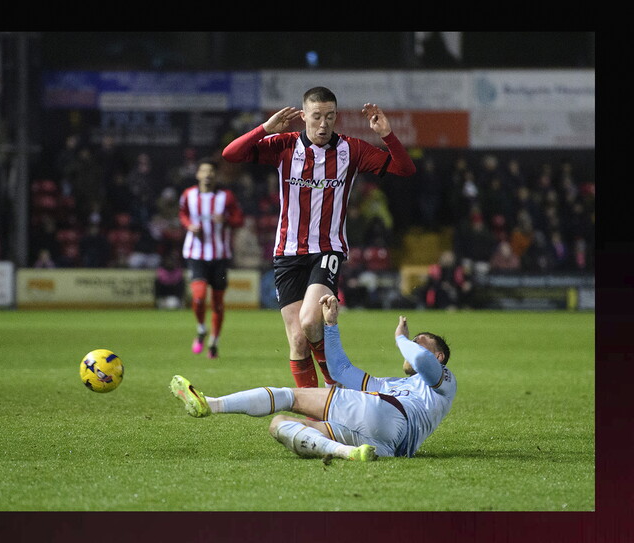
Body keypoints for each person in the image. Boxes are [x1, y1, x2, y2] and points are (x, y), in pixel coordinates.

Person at [222, 86, 416, 389]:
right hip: (286, 252)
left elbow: (405, 169)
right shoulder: (283, 145)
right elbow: (230, 154)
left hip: (327, 249)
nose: (324, 124)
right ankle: (316, 414)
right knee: (298, 341)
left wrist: (387, 135)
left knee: (311, 321)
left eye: (330, 117)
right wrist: (264, 129)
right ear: (303, 116)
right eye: (316, 117)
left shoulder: (352, 150)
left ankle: (332, 383)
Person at [170, 294, 456, 461]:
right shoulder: (393, 385)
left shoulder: (443, 380)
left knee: (290, 396)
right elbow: (342, 371)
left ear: (439, 356)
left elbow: (420, 359)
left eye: (422, 341)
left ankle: (212, 403)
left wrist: (401, 339)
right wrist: (331, 325)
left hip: (387, 414)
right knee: (279, 425)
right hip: (390, 445)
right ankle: (346, 453)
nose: (414, 345)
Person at [179, 158, 244, 358]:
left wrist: (225, 219)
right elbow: (183, 214)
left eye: (211, 171)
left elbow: (239, 219)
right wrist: (189, 225)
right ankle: (200, 328)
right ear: (198, 174)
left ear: (216, 175)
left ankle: (214, 341)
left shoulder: (227, 197)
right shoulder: (188, 195)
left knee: (217, 303)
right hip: (196, 253)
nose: (207, 174)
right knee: (198, 297)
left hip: (220, 256)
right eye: (204, 171)